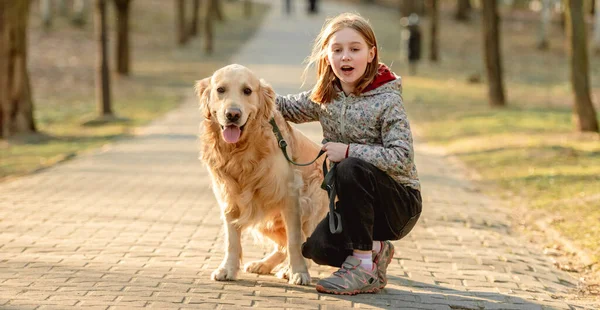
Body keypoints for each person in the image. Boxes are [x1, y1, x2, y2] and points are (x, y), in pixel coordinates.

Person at [276, 13, 422, 295]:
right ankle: (376, 249)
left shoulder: (387, 99)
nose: (346, 57)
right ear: (327, 55)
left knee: (349, 167)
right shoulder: (326, 97)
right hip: (359, 211)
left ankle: (363, 268)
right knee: (316, 249)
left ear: (371, 54)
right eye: (337, 49)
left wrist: (348, 151)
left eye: (355, 49)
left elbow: (402, 157)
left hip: (399, 205)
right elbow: (284, 106)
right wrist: (250, 89)